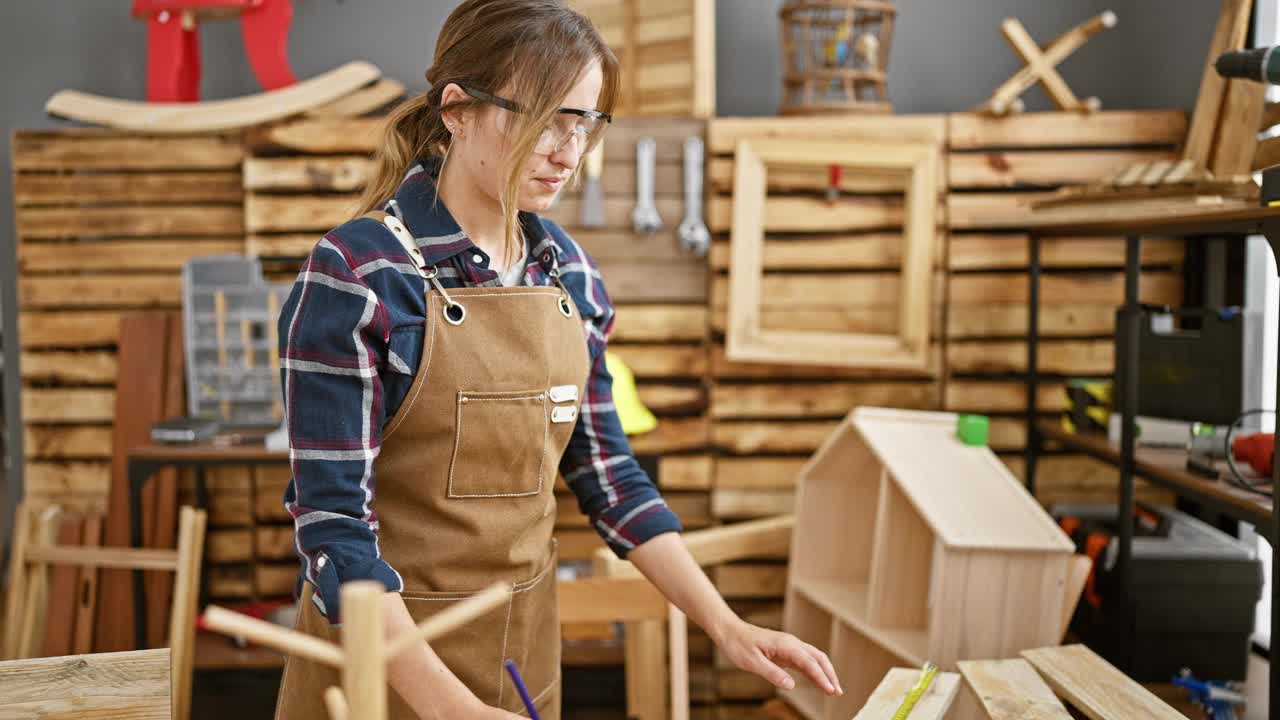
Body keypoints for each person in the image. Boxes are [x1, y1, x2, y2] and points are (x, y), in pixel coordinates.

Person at [273, 1, 841, 718]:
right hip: (384, 674)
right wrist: (453, 709)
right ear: (457, 110)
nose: (568, 151)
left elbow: (612, 481)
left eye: (585, 123)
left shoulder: (569, 275)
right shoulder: (357, 275)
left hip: (522, 659)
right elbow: (336, 539)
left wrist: (725, 624)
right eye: (544, 117)